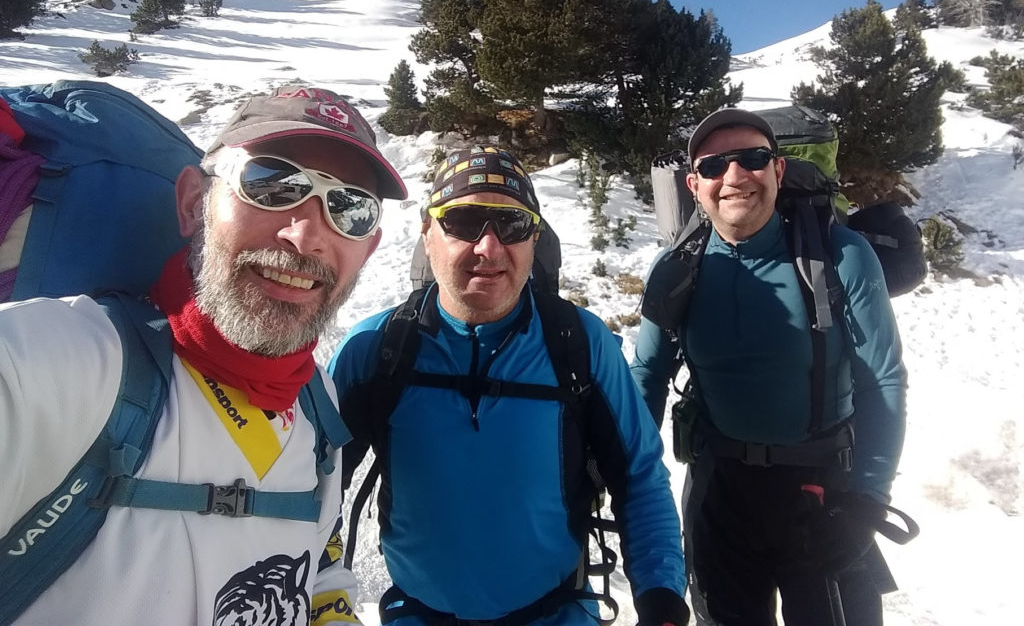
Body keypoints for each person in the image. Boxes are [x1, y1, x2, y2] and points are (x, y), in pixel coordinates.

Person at [0, 86, 406, 624]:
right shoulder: (64, 365)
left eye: (349, 209)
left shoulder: (314, 402)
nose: (306, 236)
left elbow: (313, 561)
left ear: (368, 248)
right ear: (195, 202)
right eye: (272, 184)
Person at [329, 146, 689, 626]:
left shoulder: (579, 344)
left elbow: (640, 476)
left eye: (513, 226)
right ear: (427, 232)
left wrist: (661, 597)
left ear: (534, 239)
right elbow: (314, 487)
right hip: (418, 615)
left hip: (556, 613)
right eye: (462, 221)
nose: (489, 248)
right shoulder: (376, 349)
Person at [631, 108, 908, 626]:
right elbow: (645, 375)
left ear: (777, 171)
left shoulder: (842, 256)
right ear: (694, 184)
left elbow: (882, 382)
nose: (734, 176)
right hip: (720, 494)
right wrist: (621, 478)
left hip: (822, 493)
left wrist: (867, 502)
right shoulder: (675, 269)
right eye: (714, 166)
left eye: (752, 159)